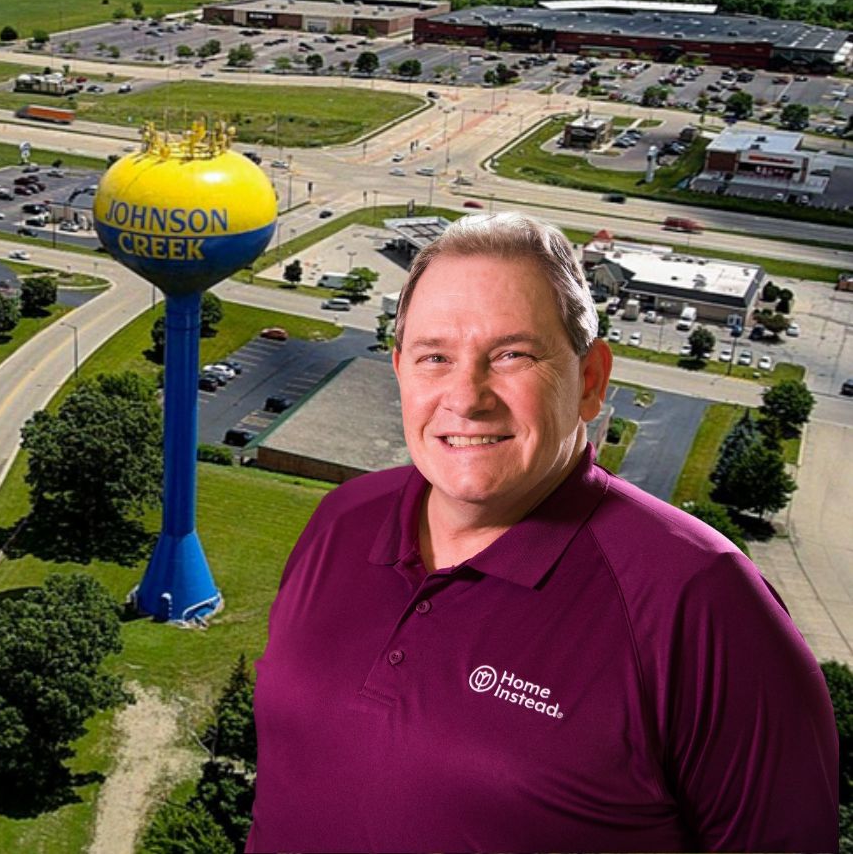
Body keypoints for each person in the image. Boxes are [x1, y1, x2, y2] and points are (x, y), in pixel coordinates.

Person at [248, 212, 837, 853]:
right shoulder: (341, 520)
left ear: (590, 381)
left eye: (512, 356)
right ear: (400, 371)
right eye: (434, 357)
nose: (466, 397)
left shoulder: (702, 603)